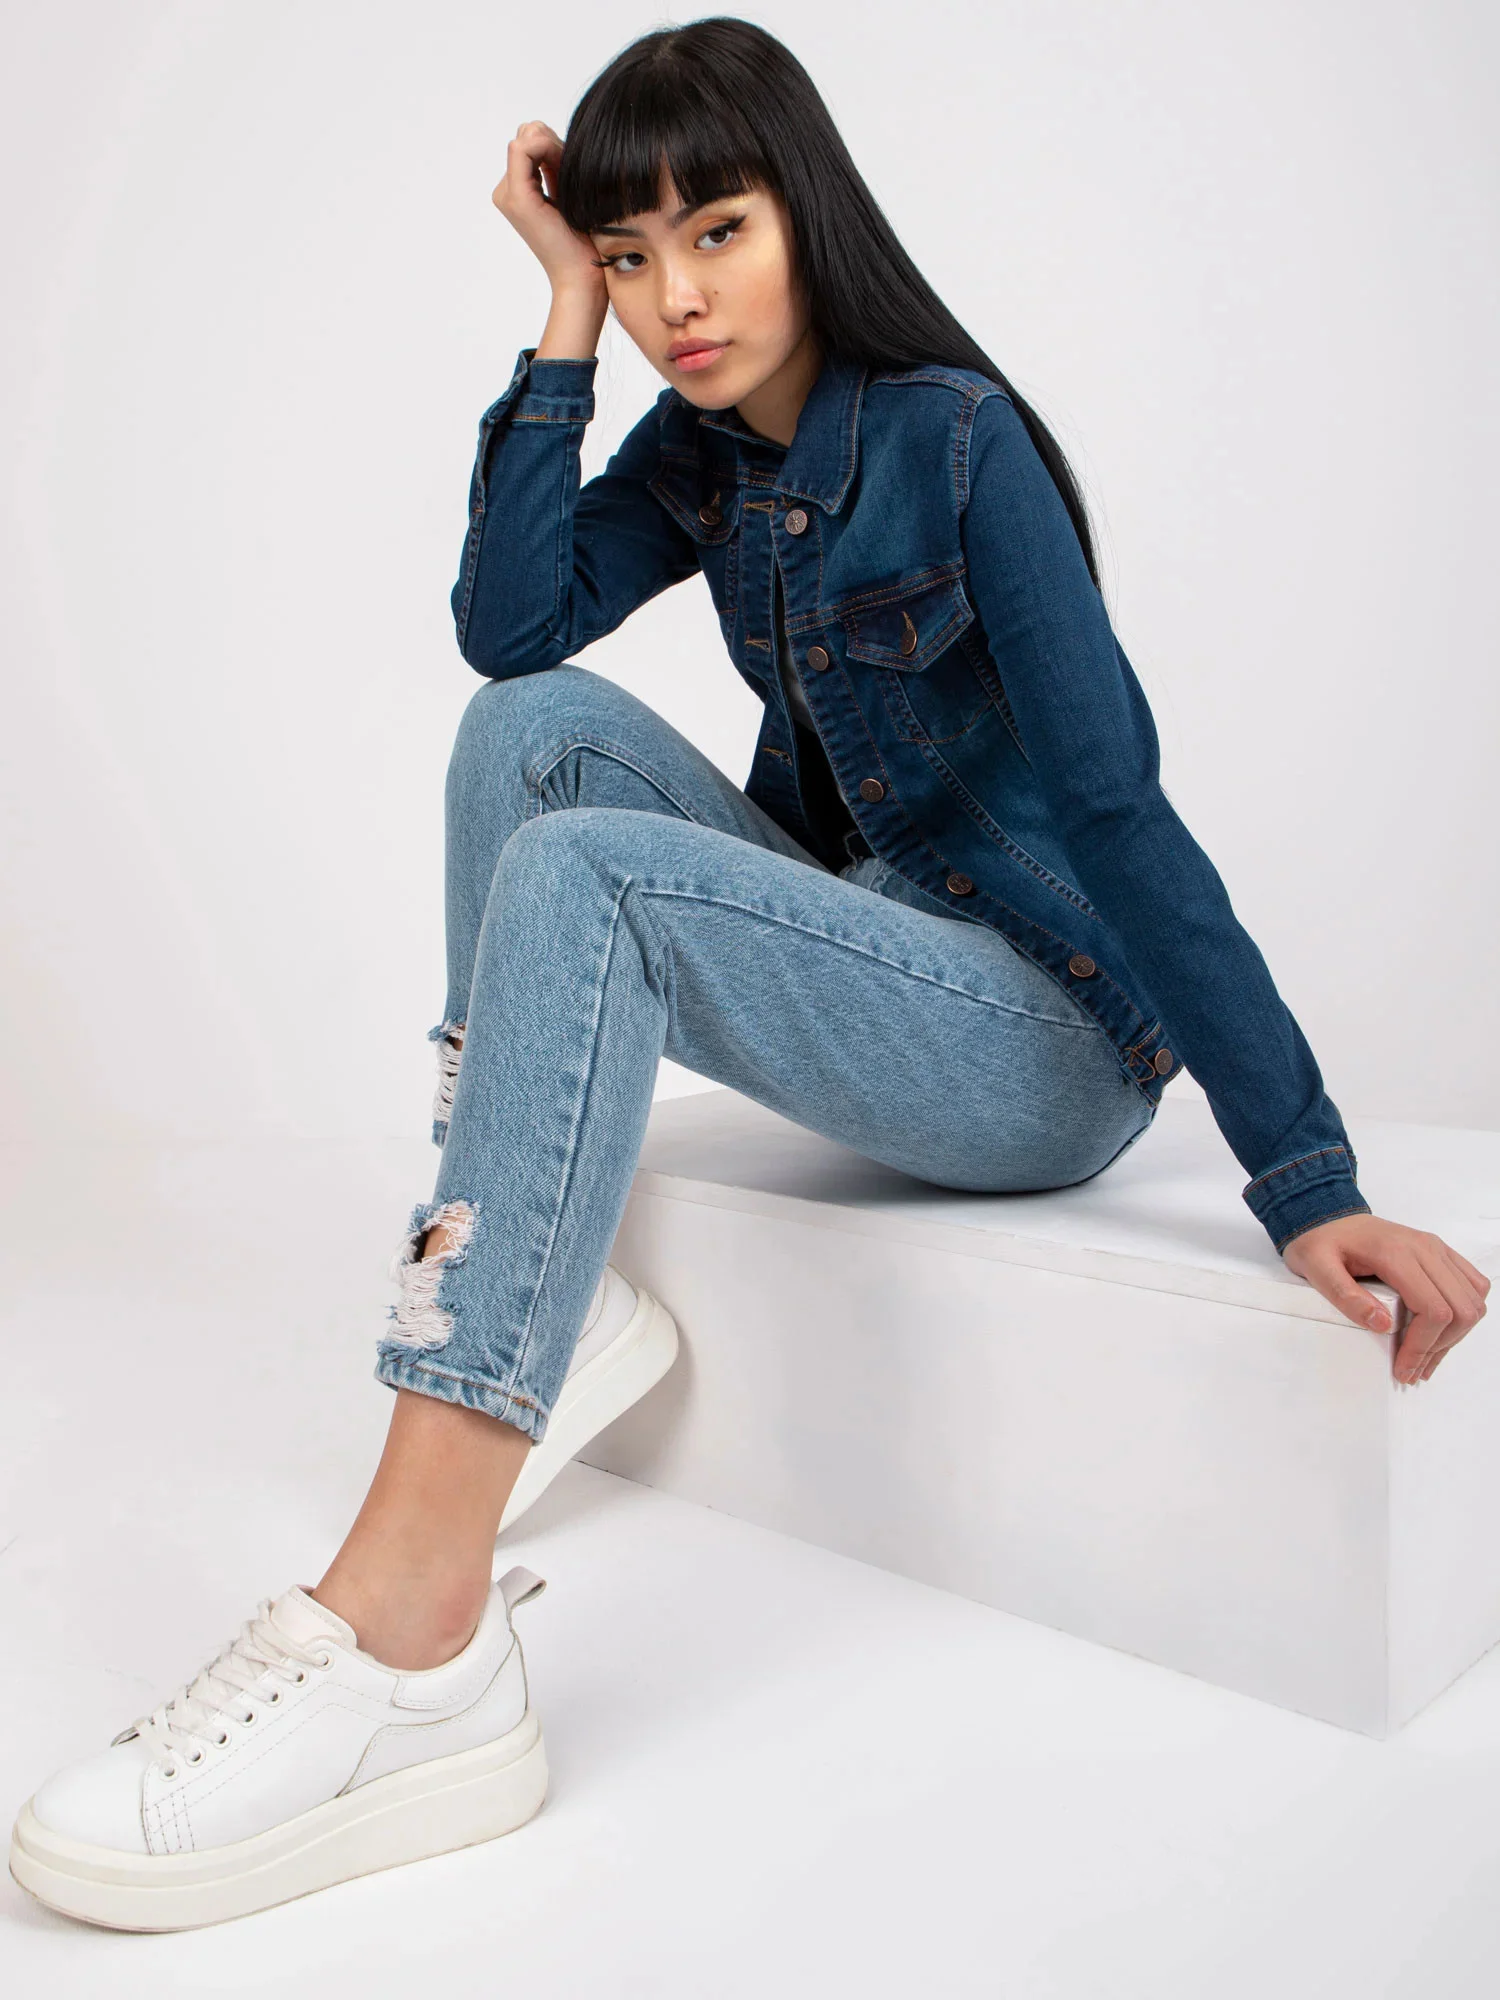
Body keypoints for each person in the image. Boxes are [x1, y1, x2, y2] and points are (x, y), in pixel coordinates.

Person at [10, 14, 1487, 1932]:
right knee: (530, 736)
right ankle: (530, 1285)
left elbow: (1121, 814)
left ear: (810, 210)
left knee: (590, 866)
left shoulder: (956, 440)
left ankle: (414, 1640)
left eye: (715, 233)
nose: (675, 300)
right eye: (632, 258)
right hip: (870, 937)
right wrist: (558, 317)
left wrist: (1309, 1177)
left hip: (1040, 1032)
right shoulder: (701, 453)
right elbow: (510, 628)